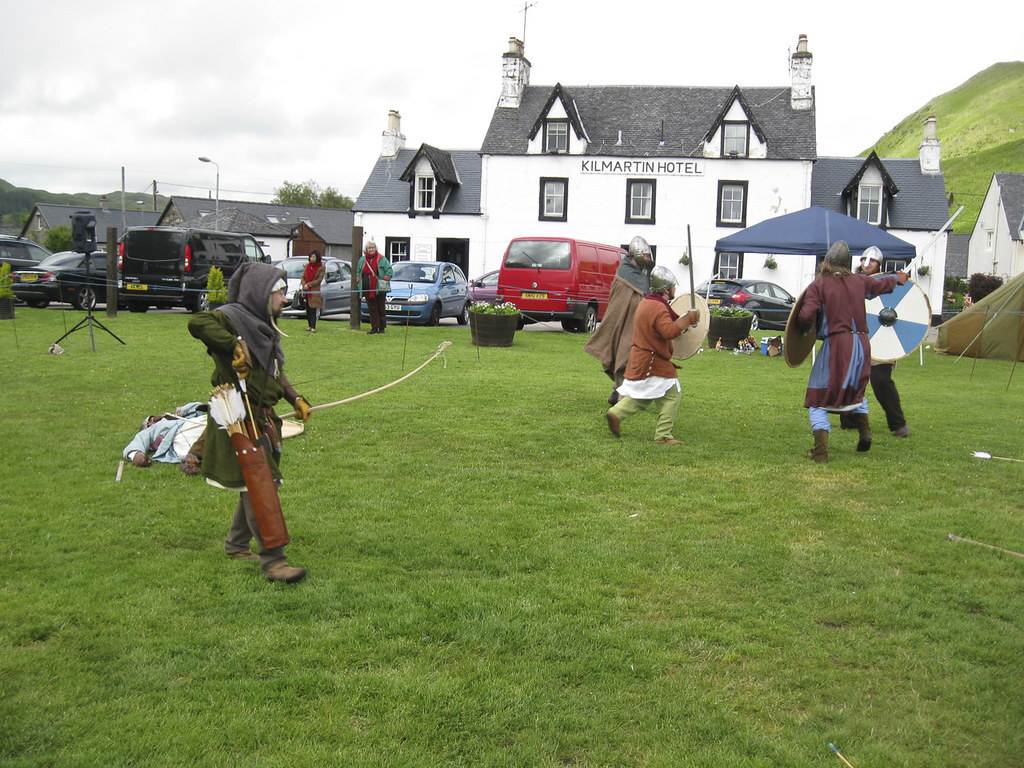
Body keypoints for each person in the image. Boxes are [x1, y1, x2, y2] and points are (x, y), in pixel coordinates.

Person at [188, 261, 312, 583]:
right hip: (237, 417)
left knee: (254, 482)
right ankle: (274, 562)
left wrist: (294, 398)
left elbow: (274, 371)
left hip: (262, 417)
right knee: (261, 482)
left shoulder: (262, 324)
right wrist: (233, 344)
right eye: (280, 293)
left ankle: (236, 545)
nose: (285, 299)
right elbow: (198, 322)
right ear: (259, 293)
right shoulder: (231, 317)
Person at [798, 241, 907, 462]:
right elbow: (880, 284)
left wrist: (801, 328)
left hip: (837, 346)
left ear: (825, 263)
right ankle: (864, 432)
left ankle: (820, 452)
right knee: (855, 389)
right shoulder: (859, 281)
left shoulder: (818, 286)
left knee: (818, 397)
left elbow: (805, 316)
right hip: (861, 345)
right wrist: (897, 278)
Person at [605, 266, 700, 444]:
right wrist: (688, 319)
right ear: (666, 289)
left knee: (644, 397)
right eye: (672, 286)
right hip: (652, 361)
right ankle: (663, 435)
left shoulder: (647, 302)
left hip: (641, 358)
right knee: (672, 394)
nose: (674, 289)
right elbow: (669, 330)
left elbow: (673, 321)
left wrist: (689, 319)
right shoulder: (658, 308)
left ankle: (616, 414)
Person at [839, 246, 909, 437]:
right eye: (864, 259)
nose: (867, 263)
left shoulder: (889, 283)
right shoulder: (851, 281)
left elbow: (896, 306)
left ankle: (898, 424)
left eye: (872, 260)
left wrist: (896, 279)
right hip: (856, 338)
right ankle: (848, 421)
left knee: (881, 380)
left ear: (879, 263)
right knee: (849, 380)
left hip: (882, 339)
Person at [584, 235, 654, 405]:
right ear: (636, 254)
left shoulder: (640, 275)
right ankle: (621, 396)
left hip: (634, 324)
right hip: (623, 323)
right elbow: (620, 304)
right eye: (645, 255)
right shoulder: (625, 273)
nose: (648, 259)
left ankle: (618, 392)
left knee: (630, 356)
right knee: (625, 355)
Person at [123, 402, 207, 475]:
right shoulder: (152, 430)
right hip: (180, 436)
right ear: (149, 424)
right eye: (151, 420)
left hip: (192, 424)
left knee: (214, 419)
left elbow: (198, 406)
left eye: (153, 417)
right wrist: (135, 455)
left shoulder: (182, 418)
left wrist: (177, 413)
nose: (156, 418)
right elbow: (137, 442)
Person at [357, 241, 393, 334]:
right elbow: (359, 271)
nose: (371, 249)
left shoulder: (382, 259)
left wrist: (385, 278)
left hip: (379, 288)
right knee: (372, 309)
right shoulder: (362, 260)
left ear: (375, 248)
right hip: (367, 287)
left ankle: (382, 327)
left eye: (372, 248)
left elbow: (389, 270)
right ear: (366, 249)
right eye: (369, 248)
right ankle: (374, 327)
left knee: (381, 308)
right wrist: (358, 279)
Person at [300, 250, 326, 334]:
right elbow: (303, 277)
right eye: (311, 257)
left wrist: (309, 285)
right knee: (307, 308)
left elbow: (319, 280)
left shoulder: (321, 267)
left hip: (314, 291)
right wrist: (304, 285)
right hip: (306, 291)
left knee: (313, 309)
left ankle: (313, 326)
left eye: (313, 257)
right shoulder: (307, 266)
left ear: (317, 258)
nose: (312, 258)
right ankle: (309, 325)